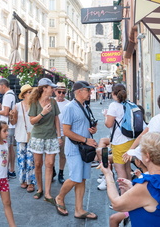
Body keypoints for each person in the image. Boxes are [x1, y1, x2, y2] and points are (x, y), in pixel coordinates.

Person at [101, 132, 160, 227]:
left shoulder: (147, 185)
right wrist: (133, 188)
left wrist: (108, 174)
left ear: (148, 156)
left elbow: (116, 204)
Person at [54, 81, 98, 219]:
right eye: (88, 90)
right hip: (74, 148)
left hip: (84, 148)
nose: (90, 92)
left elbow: (84, 125)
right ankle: (60, 197)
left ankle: (79, 209)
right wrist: (85, 140)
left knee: (82, 179)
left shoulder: (85, 106)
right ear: (79, 91)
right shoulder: (69, 107)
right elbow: (66, 131)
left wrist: (93, 130)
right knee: (75, 177)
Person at [28, 78, 61, 203]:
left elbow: (57, 119)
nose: (54, 90)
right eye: (51, 88)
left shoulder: (53, 102)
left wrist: (59, 136)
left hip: (51, 137)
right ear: (44, 88)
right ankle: (40, 189)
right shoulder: (34, 102)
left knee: (50, 164)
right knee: (38, 164)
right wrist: (43, 113)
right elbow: (32, 121)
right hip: (37, 136)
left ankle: (47, 193)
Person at [103, 83, 135, 194]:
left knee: (120, 170)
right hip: (130, 140)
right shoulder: (129, 104)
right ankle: (131, 194)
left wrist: (105, 116)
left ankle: (123, 197)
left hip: (119, 142)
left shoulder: (114, 106)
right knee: (127, 168)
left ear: (113, 93)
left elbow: (108, 124)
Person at [9, 84, 36, 192]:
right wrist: (12, 115)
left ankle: (31, 182)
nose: (31, 94)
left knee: (31, 160)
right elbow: (13, 122)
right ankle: (23, 180)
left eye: (31, 92)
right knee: (21, 160)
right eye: (29, 92)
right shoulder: (17, 106)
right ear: (24, 94)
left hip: (32, 135)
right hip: (20, 135)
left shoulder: (35, 105)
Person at [53, 82, 70, 184]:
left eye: (63, 92)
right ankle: (52, 171)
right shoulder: (50, 102)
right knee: (51, 154)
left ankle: (61, 173)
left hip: (64, 133)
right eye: (59, 92)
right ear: (55, 91)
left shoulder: (68, 104)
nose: (61, 94)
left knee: (62, 155)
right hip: (52, 132)